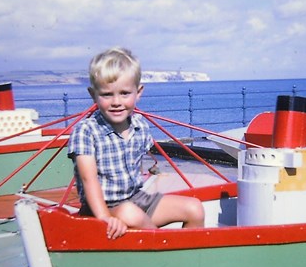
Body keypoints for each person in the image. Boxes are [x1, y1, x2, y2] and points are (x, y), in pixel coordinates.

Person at [67, 47, 205, 239]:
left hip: (136, 199)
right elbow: (88, 180)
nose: (116, 101)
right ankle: (166, 254)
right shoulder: (86, 131)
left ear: (138, 92)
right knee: (129, 213)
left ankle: (190, 256)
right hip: (103, 208)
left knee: (194, 208)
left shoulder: (139, 125)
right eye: (107, 94)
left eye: (125, 93)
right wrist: (105, 217)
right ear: (93, 95)